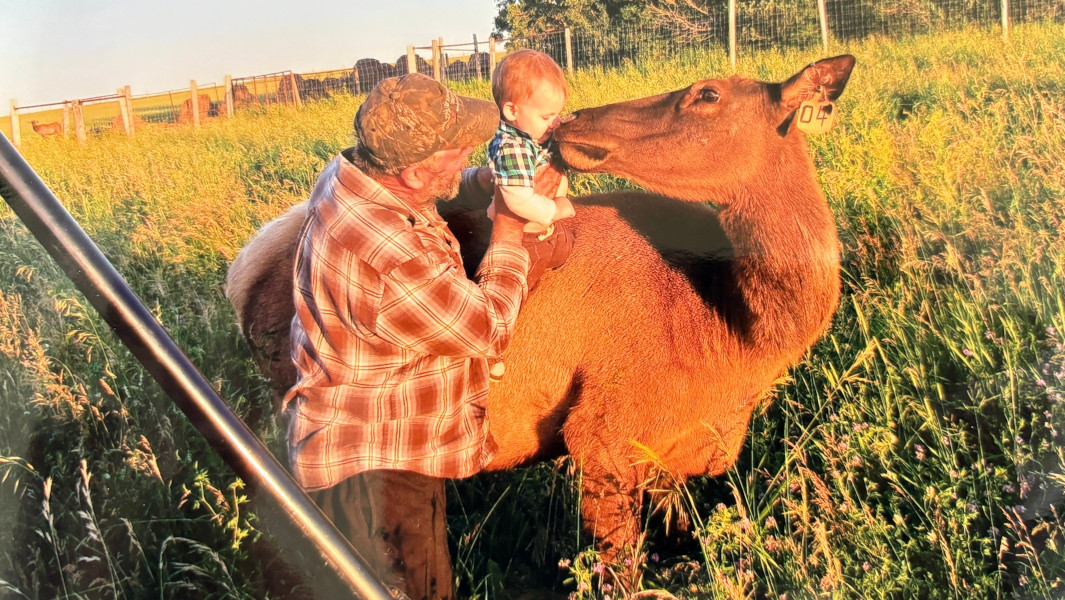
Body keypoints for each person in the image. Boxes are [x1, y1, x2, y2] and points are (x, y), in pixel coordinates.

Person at [283, 73, 532, 600]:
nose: (470, 147)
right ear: (415, 172)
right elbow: (488, 327)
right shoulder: (389, 257)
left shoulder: (352, 175)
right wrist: (510, 230)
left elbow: (418, 199)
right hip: (377, 470)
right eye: (457, 148)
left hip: (374, 436)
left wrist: (477, 182)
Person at [486, 49, 576, 292]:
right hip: (526, 238)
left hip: (543, 229)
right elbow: (519, 200)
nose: (554, 122)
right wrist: (555, 210)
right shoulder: (512, 148)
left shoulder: (529, 134)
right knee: (523, 286)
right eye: (547, 116)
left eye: (557, 114)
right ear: (512, 111)